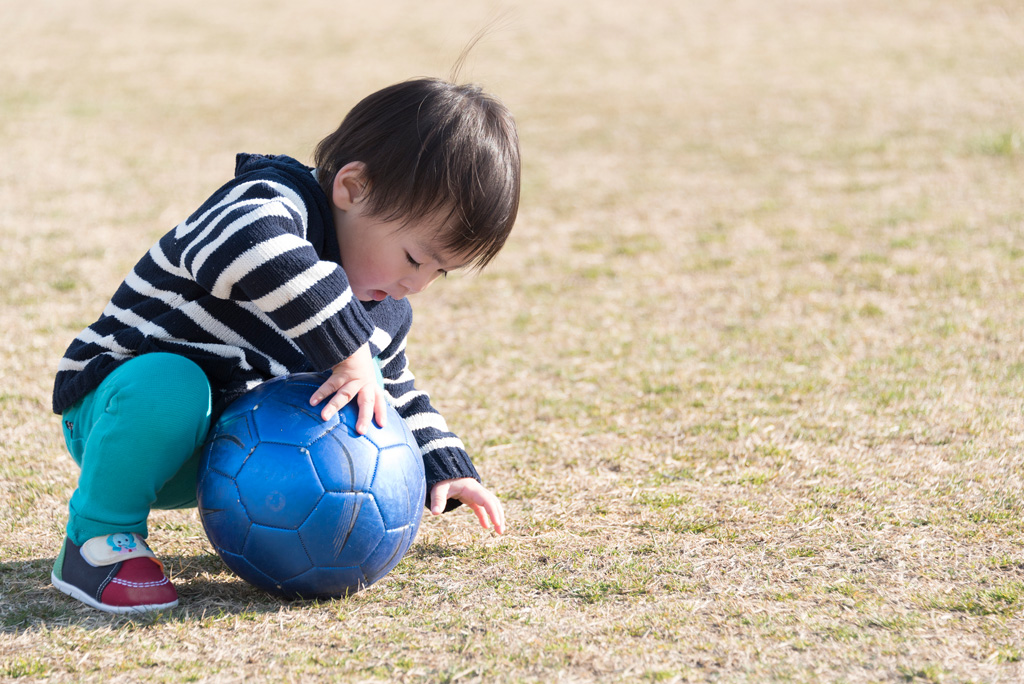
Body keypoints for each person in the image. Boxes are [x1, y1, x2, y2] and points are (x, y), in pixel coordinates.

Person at [49, 77, 519, 614]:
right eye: (415, 258)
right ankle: (98, 539)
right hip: (117, 412)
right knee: (173, 384)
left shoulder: (382, 307)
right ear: (353, 188)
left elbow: (393, 394)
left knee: (355, 402)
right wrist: (348, 350)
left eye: (442, 272)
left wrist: (445, 466)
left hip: (223, 454)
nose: (418, 284)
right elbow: (252, 244)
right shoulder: (267, 201)